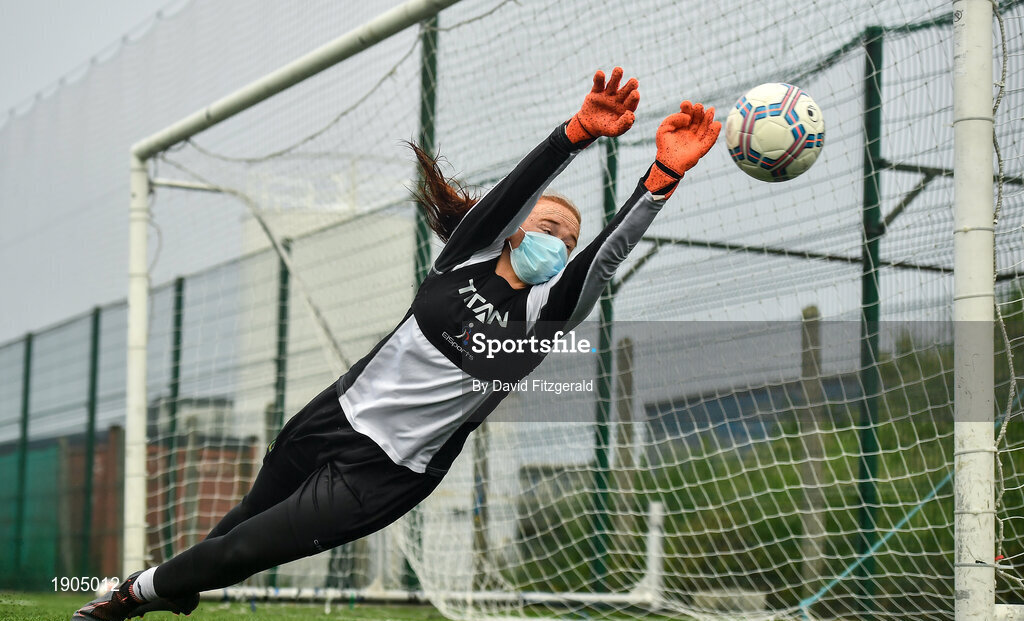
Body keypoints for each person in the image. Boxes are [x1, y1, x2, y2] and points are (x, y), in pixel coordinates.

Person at [71, 67, 720, 621]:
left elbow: (605, 259)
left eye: (569, 239)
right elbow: (514, 190)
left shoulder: (545, 314)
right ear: (518, 232)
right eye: (550, 226)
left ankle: (131, 594)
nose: (561, 241)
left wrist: (660, 176)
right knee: (239, 522)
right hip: (333, 416)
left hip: (386, 474)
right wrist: (574, 133)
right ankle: (179, 589)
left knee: (244, 551)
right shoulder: (463, 256)